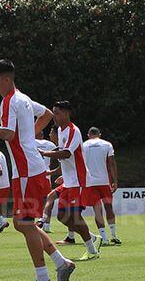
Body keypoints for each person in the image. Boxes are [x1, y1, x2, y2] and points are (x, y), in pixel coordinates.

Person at [0, 60, 76, 281]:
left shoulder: (9, 101)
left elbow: (7, 134)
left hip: (27, 171)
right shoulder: (24, 98)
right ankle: (61, 263)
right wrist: (30, 137)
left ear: (6, 80)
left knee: (25, 223)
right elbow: (47, 114)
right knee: (22, 223)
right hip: (28, 170)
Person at [41, 101, 101, 260]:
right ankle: (91, 237)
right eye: (53, 112)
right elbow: (63, 152)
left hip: (79, 180)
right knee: (62, 216)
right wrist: (62, 173)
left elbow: (67, 153)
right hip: (69, 181)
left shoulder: (74, 131)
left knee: (74, 215)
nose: (54, 116)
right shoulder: (61, 130)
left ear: (67, 114)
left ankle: (92, 251)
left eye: (57, 113)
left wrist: (44, 153)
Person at [81, 127, 120, 245]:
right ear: (99, 134)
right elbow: (112, 163)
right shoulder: (107, 144)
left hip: (90, 182)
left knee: (97, 210)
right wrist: (115, 180)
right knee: (109, 208)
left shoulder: (84, 145)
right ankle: (114, 235)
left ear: (88, 135)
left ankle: (104, 238)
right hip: (104, 181)